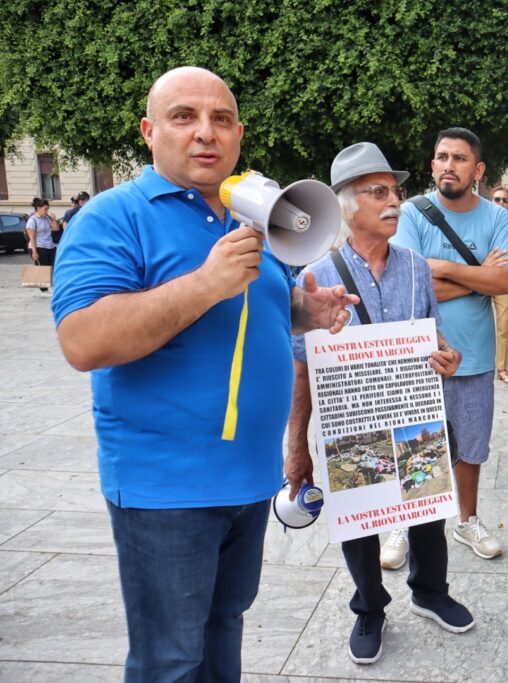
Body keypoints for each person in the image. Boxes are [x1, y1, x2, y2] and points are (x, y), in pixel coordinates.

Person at [50, 66, 358, 681]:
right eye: (183, 117)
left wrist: (305, 312)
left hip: (248, 481)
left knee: (223, 633)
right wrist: (203, 284)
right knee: (171, 658)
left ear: (238, 134)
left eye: (220, 119)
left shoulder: (256, 215)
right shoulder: (113, 217)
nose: (204, 133)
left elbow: (253, 313)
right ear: (149, 131)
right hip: (165, 491)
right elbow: (82, 341)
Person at [286, 142, 472, 665]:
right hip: (354, 423)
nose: (394, 202)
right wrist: (297, 442)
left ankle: (431, 592)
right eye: (378, 192)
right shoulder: (312, 276)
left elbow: (432, 338)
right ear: (346, 205)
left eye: (396, 191)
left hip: (415, 417)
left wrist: (447, 357)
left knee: (427, 514)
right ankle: (370, 608)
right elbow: (302, 365)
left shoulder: (416, 267)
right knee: (360, 522)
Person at [393, 127, 508, 560]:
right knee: (415, 441)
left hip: (476, 355)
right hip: (419, 354)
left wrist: (442, 267)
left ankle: (466, 521)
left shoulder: (497, 218)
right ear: (432, 165)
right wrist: (475, 279)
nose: (449, 165)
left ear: (478, 170)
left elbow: (505, 280)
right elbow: (409, 282)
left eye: (460, 158)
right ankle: (405, 525)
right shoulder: (411, 212)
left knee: (471, 445)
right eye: (442, 156)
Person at [490, 186, 508, 385]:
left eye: (505, 200)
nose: (501, 203)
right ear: (491, 201)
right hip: (479, 278)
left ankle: (501, 367)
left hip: (503, 280)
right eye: (497, 199)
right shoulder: (481, 220)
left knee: (504, 327)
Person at [26, 198, 58, 273]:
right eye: (45, 209)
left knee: (53, 267)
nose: (47, 211)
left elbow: (56, 228)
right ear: (38, 208)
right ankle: (44, 283)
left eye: (48, 209)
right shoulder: (32, 220)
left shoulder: (47, 218)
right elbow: (32, 238)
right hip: (39, 246)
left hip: (50, 246)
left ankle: (50, 283)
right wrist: (34, 252)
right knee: (44, 269)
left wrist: (53, 219)